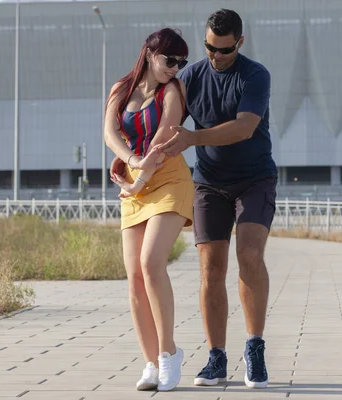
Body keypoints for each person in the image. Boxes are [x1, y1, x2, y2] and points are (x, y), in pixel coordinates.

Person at [158, 9, 278, 389]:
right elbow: (167, 122)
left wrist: (194, 138)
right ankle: (216, 357)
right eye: (209, 47)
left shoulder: (255, 75)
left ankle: (254, 347)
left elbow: (244, 128)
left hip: (255, 179)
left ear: (239, 43)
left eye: (223, 50)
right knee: (211, 268)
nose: (215, 56)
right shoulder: (191, 75)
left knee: (250, 255)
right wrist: (130, 154)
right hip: (209, 183)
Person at [103, 27, 194, 392]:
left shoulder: (172, 92)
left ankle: (170, 353)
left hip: (168, 179)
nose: (175, 67)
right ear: (149, 54)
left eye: (181, 62)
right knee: (134, 280)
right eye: (170, 60)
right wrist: (128, 161)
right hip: (134, 179)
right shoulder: (120, 89)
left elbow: (162, 142)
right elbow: (109, 132)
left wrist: (137, 177)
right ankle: (151, 363)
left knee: (150, 263)